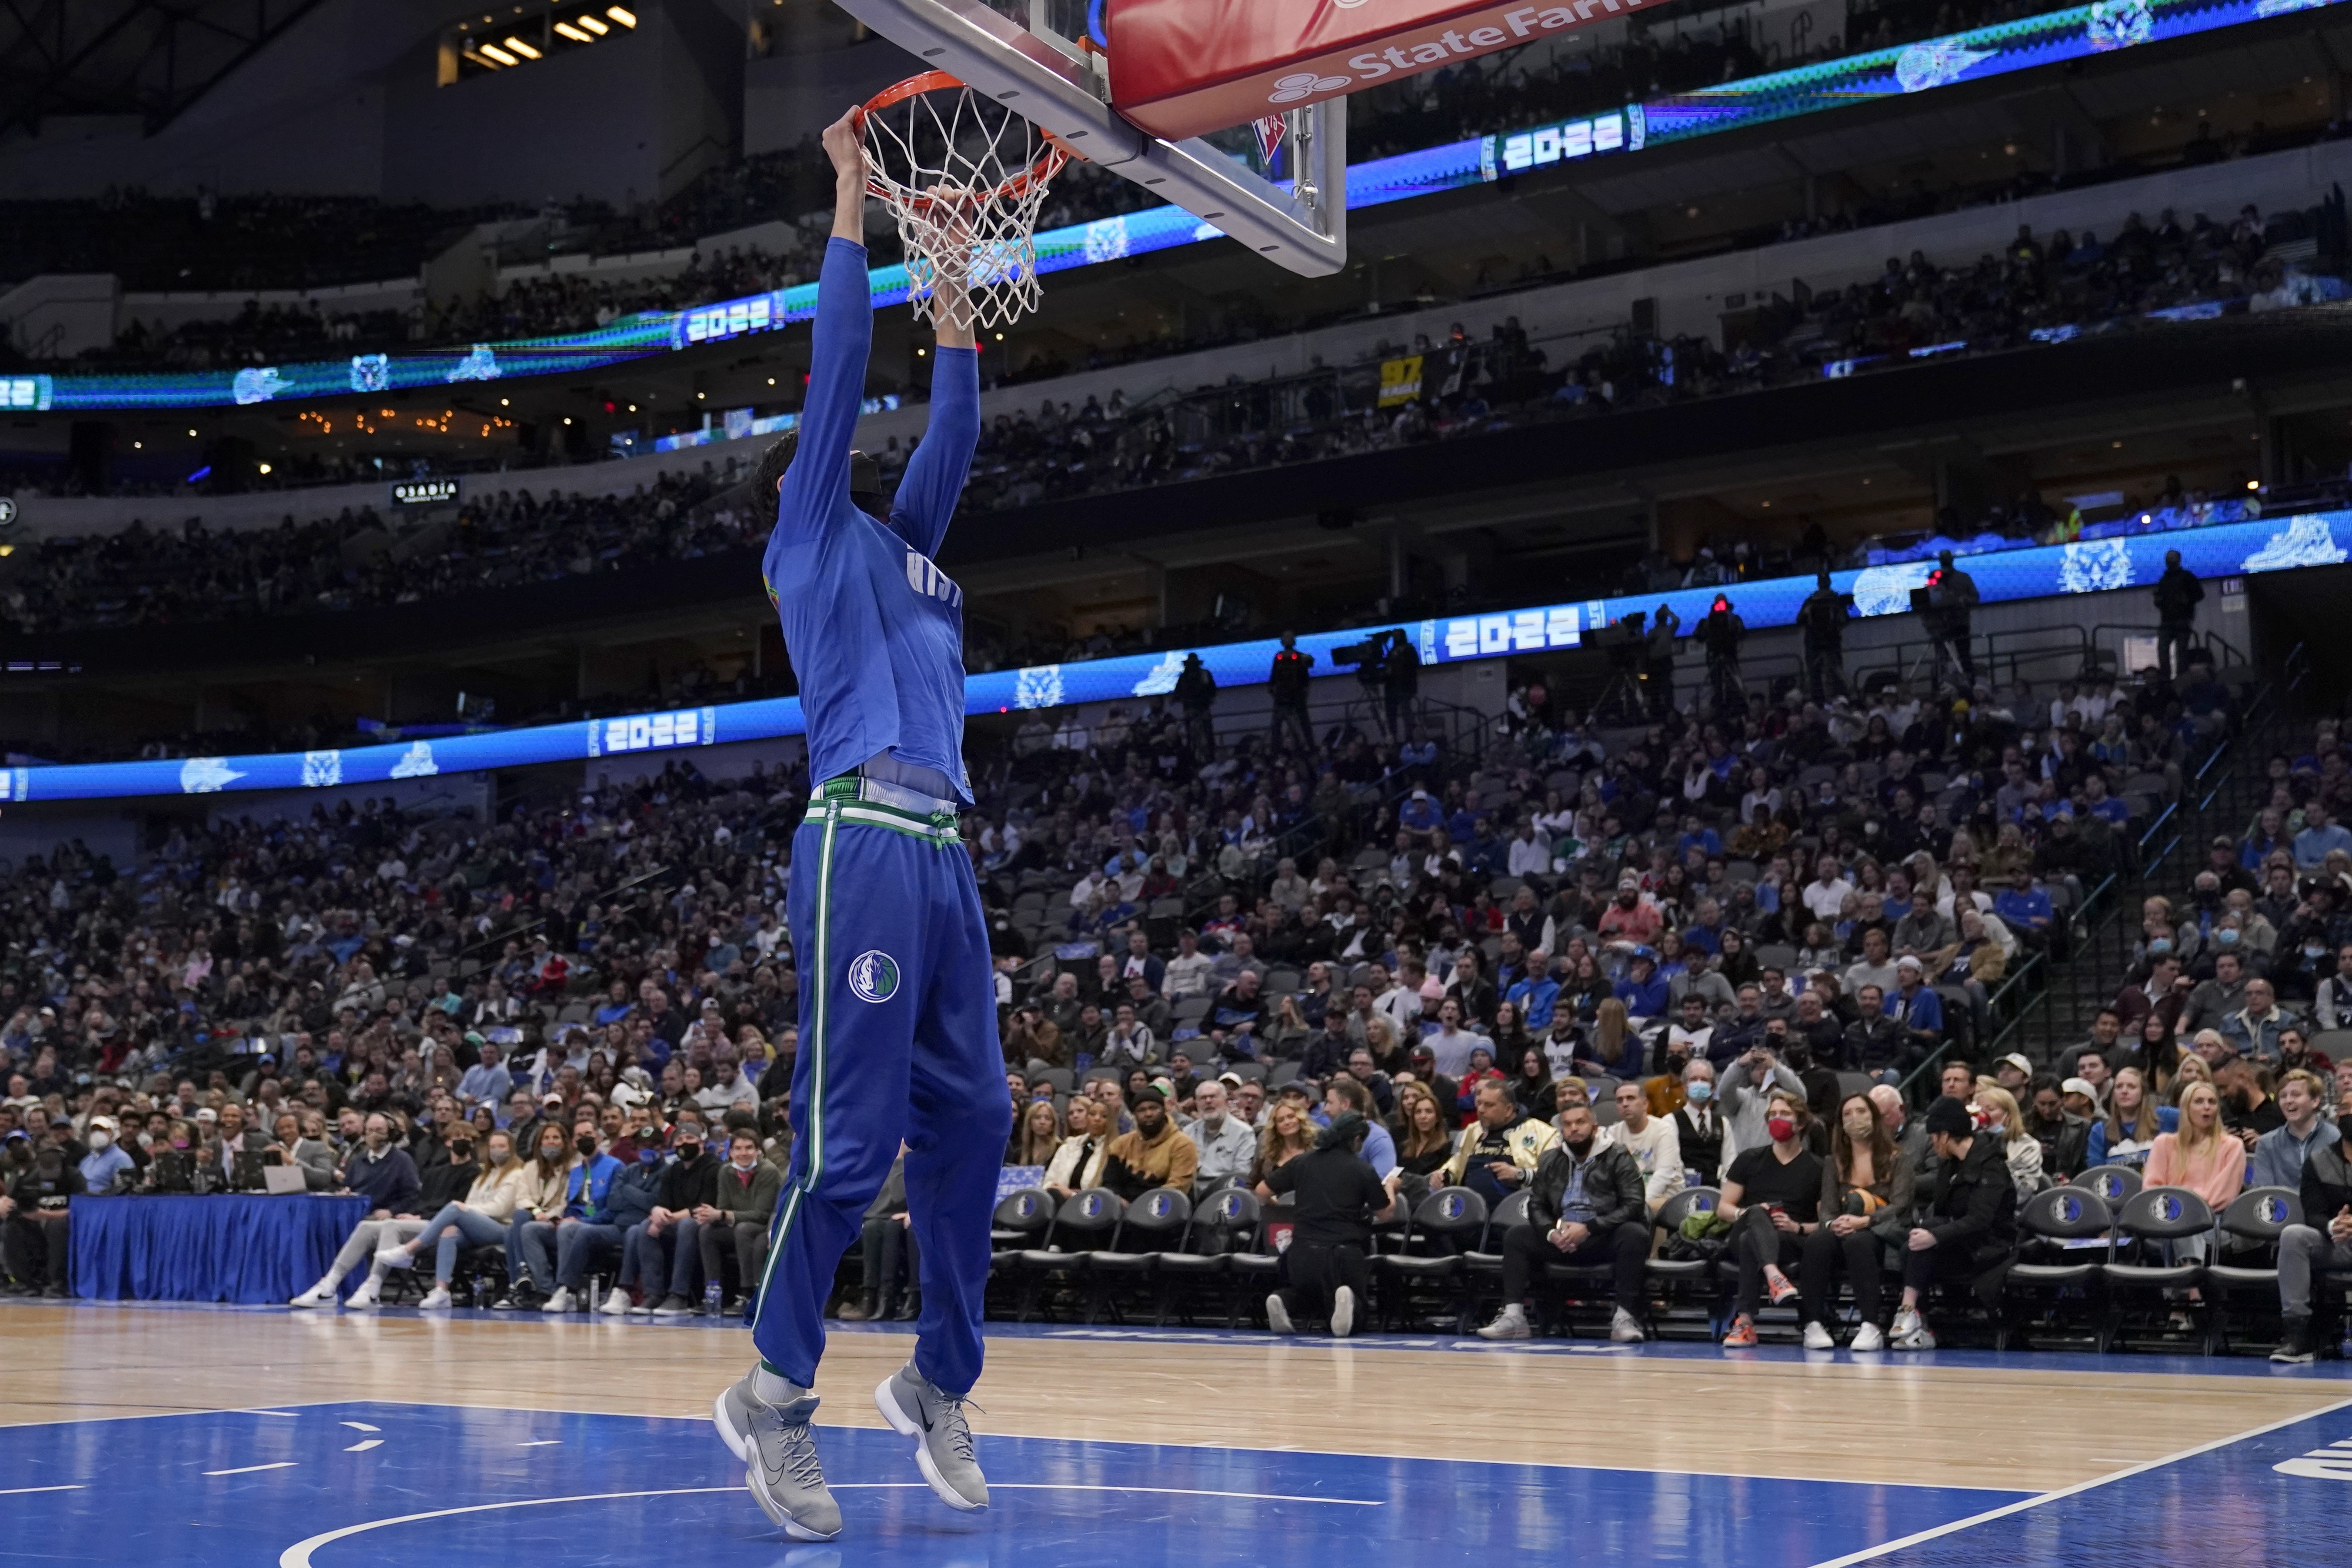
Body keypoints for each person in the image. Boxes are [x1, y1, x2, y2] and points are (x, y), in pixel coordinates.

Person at [713, 105, 1012, 1541]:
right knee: (846, 1145)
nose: (816, 455)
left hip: (948, 854)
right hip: (857, 838)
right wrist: (850, 199)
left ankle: (938, 1379)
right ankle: (772, 1394)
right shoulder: (809, 538)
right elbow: (840, 370)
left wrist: (948, 267)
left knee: (979, 1118)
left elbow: (952, 416)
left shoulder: (918, 557)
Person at [1475, 1100, 1654, 1343]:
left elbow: (1634, 1205)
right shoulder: (1551, 1159)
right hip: (1563, 1239)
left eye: (1580, 1122)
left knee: (1634, 1234)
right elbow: (1536, 1205)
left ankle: (1624, 1319)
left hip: (1602, 1238)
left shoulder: (1618, 1156)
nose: (1574, 1129)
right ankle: (1514, 1317)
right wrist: (1552, 1233)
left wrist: (1589, 1228)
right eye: (1568, 1124)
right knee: (1517, 1236)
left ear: (1595, 1127)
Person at [1888, 1096, 2018, 1351]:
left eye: (1934, 1137)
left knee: (1922, 1242)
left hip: (1990, 1246)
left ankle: (1911, 1314)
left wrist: (1935, 1236)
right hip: (1960, 1241)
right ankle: (1917, 1321)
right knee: (1913, 1245)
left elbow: (1982, 1220)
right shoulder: (1949, 1165)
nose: (1933, 1144)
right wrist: (1931, 1232)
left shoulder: (1991, 1165)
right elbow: (1944, 1211)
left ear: (1945, 1135)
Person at [1259, 1111, 1402, 1337]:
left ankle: (1283, 1300)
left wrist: (1280, 1210)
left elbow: (1261, 1192)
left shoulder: (1302, 1161)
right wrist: (1391, 1188)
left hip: (1300, 1254)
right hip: (1341, 1254)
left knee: (1306, 1296)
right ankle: (1348, 1301)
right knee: (1356, 1308)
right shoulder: (1361, 1169)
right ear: (1356, 1140)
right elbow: (1385, 1213)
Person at [1798, 1093, 1915, 1351]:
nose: (1855, 1118)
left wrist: (1863, 1221)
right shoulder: (1833, 1162)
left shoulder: (1898, 1158)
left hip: (1883, 1232)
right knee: (1818, 1239)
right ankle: (1813, 1323)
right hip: (1844, 1228)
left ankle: (1870, 1325)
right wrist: (1833, 1225)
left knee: (1858, 1242)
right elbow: (1827, 1210)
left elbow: (1901, 1205)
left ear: (1874, 1116)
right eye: (1847, 1114)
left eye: (1861, 1111)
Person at [1717, 1089, 1825, 1347]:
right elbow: (1723, 1208)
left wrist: (1797, 1227)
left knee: (1748, 1242)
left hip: (1791, 1240)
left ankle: (1745, 1323)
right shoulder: (1749, 1159)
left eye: (1785, 1114)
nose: (1777, 1119)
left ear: (1800, 1123)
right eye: (1773, 1114)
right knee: (1755, 1213)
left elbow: (1825, 1223)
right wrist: (1748, 1213)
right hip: (1746, 1224)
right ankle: (1774, 1276)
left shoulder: (1818, 1167)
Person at [289, 1112, 423, 1308]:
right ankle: (326, 1285)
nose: (373, 1135)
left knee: (370, 1226)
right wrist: (345, 1192)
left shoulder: (402, 1160)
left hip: (383, 1215)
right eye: (369, 1131)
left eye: (379, 1131)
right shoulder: (359, 1160)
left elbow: (412, 1195)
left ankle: (364, 1287)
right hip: (354, 1213)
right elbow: (349, 1186)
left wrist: (392, 1211)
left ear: (390, 1133)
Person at [2272, 1117, 2352, 1362]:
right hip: (2335, 1242)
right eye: (2346, 1108)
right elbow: (2313, 1213)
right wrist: (2334, 1225)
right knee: (2294, 1235)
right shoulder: (2318, 1161)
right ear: (2339, 1118)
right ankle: (2298, 1337)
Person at [1436, 1078, 1556, 1205]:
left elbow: (1555, 1175)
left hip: (1518, 1209)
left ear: (1508, 1110)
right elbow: (1458, 1162)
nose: (1481, 1110)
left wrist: (1520, 1175)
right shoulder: (1473, 1130)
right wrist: (1444, 1175)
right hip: (1468, 1208)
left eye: (1489, 1105)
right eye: (1480, 1103)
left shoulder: (1542, 1132)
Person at [838, 1148, 920, 1323]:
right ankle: (872, 1298)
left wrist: (899, 1160)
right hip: (885, 1219)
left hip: (910, 1217)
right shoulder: (877, 1161)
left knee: (891, 1227)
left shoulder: (914, 1161)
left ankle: (900, 1297)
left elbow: (899, 1198)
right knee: (873, 1227)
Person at [1598, 1080, 1684, 1211]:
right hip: (1628, 1199)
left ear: (1645, 1104)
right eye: (1620, 1101)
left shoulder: (1664, 1130)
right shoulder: (1612, 1134)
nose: (1625, 1104)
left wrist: (1638, 1203)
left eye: (1631, 1098)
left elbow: (1664, 1174)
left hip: (1664, 1197)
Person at [2249, 1069, 2339, 1192]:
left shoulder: (2335, 1138)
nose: (2289, 1101)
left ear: (2315, 1101)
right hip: (2283, 1210)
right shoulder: (2266, 1144)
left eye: (2296, 1095)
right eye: (2283, 1096)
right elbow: (2264, 1194)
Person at [1102, 1087, 1200, 1198]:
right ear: (1135, 1116)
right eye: (1142, 1110)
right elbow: (1110, 1183)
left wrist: (1139, 1207)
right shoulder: (1121, 1144)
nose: (1148, 1114)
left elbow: (1177, 1188)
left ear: (1164, 1110)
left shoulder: (1183, 1144)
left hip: (1163, 1207)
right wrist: (1119, 1202)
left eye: (1154, 1108)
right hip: (1121, 1207)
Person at [1923, 549, 1978, 685]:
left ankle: (1970, 683)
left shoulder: (1963, 578)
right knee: (1942, 658)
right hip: (1941, 625)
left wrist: (1963, 600)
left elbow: (1975, 598)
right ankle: (1942, 684)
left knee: (1964, 656)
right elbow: (1928, 599)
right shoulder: (1934, 578)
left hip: (1960, 622)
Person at [1797, 569, 1852, 702]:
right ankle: (1817, 700)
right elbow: (1844, 621)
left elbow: (1800, 620)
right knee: (1815, 676)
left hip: (1826, 645)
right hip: (1819, 645)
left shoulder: (1816, 601)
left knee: (1833, 675)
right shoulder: (1828, 600)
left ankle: (1841, 699)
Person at [1042, 1098, 1112, 1199]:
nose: (1097, 1119)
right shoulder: (1068, 1147)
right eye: (1092, 1114)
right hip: (1061, 1203)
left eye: (1080, 1111)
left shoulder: (1114, 1150)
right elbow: (1048, 1183)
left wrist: (1073, 1195)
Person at [2153, 548, 2204, 680]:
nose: (2170, 563)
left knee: (2181, 652)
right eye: (2168, 560)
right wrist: (2159, 600)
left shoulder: (2186, 577)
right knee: (2164, 650)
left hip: (2181, 620)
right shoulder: (2164, 580)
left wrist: (2187, 599)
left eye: (2171, 560)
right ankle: (2167, 679)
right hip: (2169, 620)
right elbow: (2159, 602)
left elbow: (2199, 595)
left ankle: (2181, 679)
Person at [1268, 631, 1315, 754]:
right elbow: (1273, 678)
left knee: (1304, 725)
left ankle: (1310, 749)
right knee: (1277, 726)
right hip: (1283, 697)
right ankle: (1276, 752)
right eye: (1286, 638)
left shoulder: (1299, 657)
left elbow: (1305, 677)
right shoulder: (1280, 657)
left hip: (1297, 697)